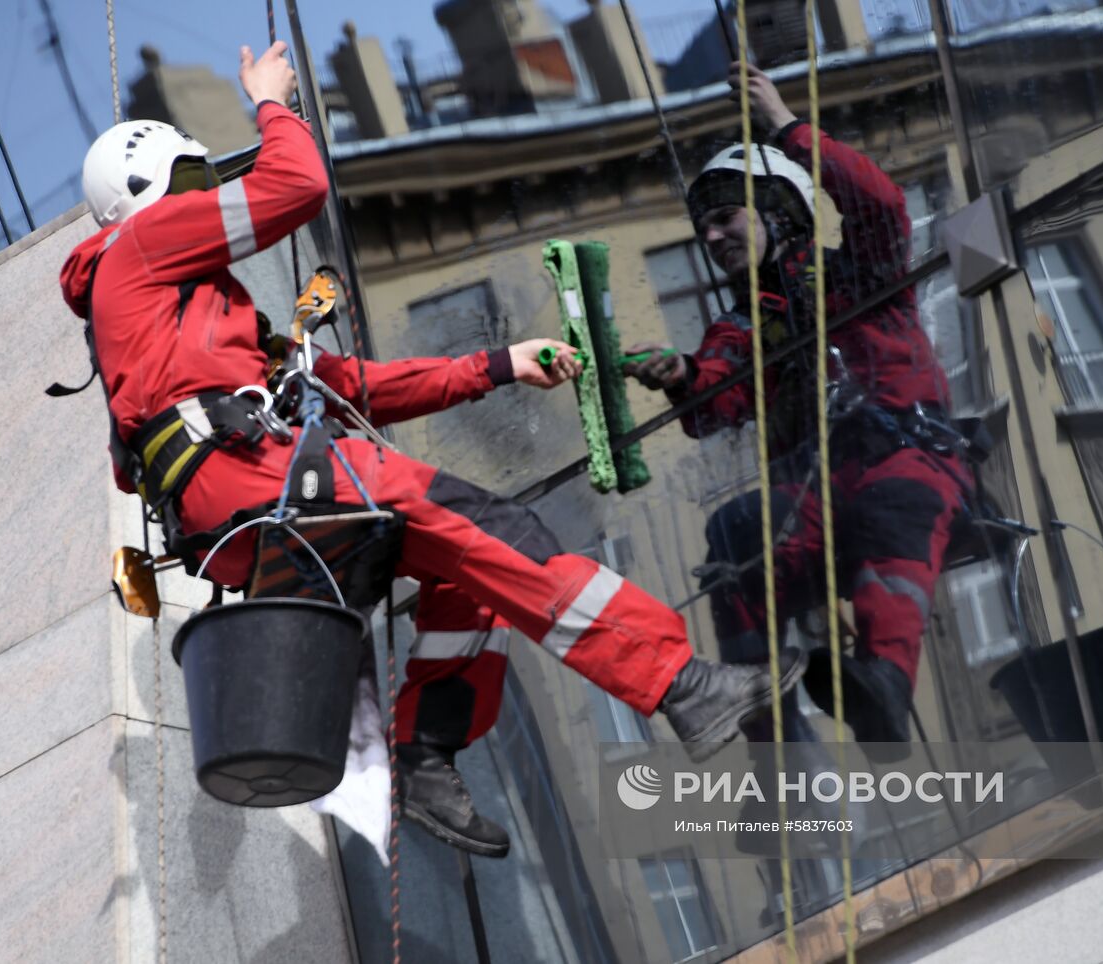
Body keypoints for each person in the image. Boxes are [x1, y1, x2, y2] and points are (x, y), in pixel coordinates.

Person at [59, 43, 806, 858]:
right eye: (193, 186)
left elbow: (357, 384)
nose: (204, 204)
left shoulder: (187, 319)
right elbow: (297, 187)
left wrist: (497, 365)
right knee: (496, 530)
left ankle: (420, 753)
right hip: (252, 479)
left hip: (241, 502)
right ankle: (680, 683)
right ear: (148, 197)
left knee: (468, 581)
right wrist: (271, 104)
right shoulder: (139, 251)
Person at [625, 63, 970, 755]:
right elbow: (718, 393)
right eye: (704, 229)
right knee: (735, 533)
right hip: (820, 490)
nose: (712, 237)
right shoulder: (746, 323)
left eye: (726, 218)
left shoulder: (859, 271)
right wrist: (681, 375)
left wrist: (786, 127)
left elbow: (879, 205)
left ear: (777, 212)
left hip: (909, 458)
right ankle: (776, 752)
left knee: (890, 502)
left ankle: (884, 686)